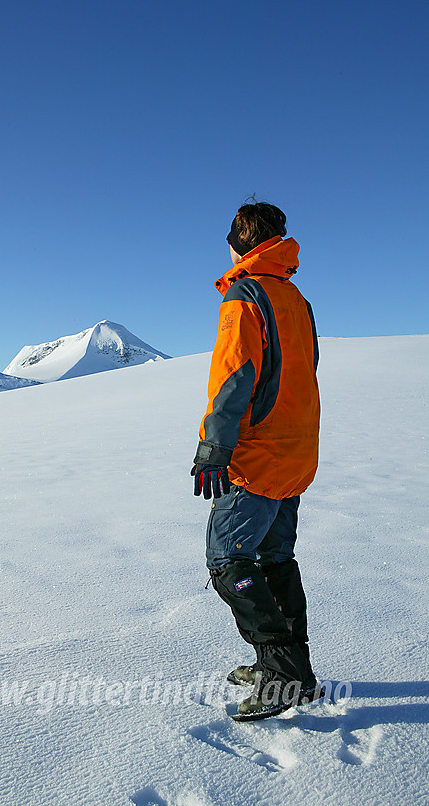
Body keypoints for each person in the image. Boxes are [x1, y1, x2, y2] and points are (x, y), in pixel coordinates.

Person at [191, 201, 321, 721]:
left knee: (227, 560)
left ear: (242, 242)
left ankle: (282, 671)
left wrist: (215, 448)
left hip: (256, 457)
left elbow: (233, 378)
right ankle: (293, 668)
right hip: (295, 453)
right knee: (273, 559)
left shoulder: (246, 296)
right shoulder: (295, 298)